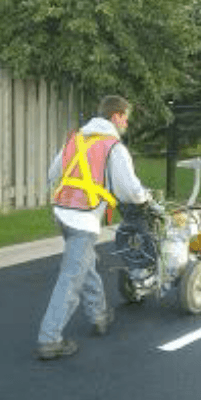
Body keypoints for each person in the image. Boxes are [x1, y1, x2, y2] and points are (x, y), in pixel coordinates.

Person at [37, 96, 156, 361]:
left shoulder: (76, 139)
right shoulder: (114, 147)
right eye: (125, 117)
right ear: (115, 117)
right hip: (83, 218)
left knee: (85, 264)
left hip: (62, 214)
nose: (126, 122)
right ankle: (49, 339)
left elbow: (52, 173)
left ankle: (100, 314)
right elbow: (130, 191)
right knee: (70, 277)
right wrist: (145, 197)